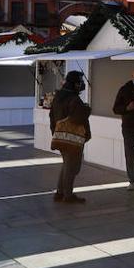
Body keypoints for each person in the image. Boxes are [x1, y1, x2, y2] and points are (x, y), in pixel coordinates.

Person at [49, 70, 92, 203]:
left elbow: (51, 116)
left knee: (66, 164)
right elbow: (78, 118)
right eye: (80, 82)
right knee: (72, 166)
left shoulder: (59, 96)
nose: (82, 85)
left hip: (60, 137)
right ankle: (68, 195)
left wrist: (55, 132)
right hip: (73, 139)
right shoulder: (73, 99)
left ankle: (60, 192)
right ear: (75, 83)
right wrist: (86, 109)